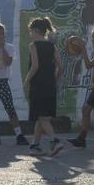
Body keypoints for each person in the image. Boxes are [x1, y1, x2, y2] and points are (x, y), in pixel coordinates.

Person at [24, 17, 64, 157]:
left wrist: (27, 80)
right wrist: (55, 79)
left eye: (31, 31)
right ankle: (35, 146)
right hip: (50, 86)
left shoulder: (33, 45)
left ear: (35, 31)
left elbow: (35, 66)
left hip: (38, 85)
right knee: (41, 117)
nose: (30, 34)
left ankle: (55, 141)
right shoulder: (52, 46)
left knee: (42, 118)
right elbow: (61, 66)